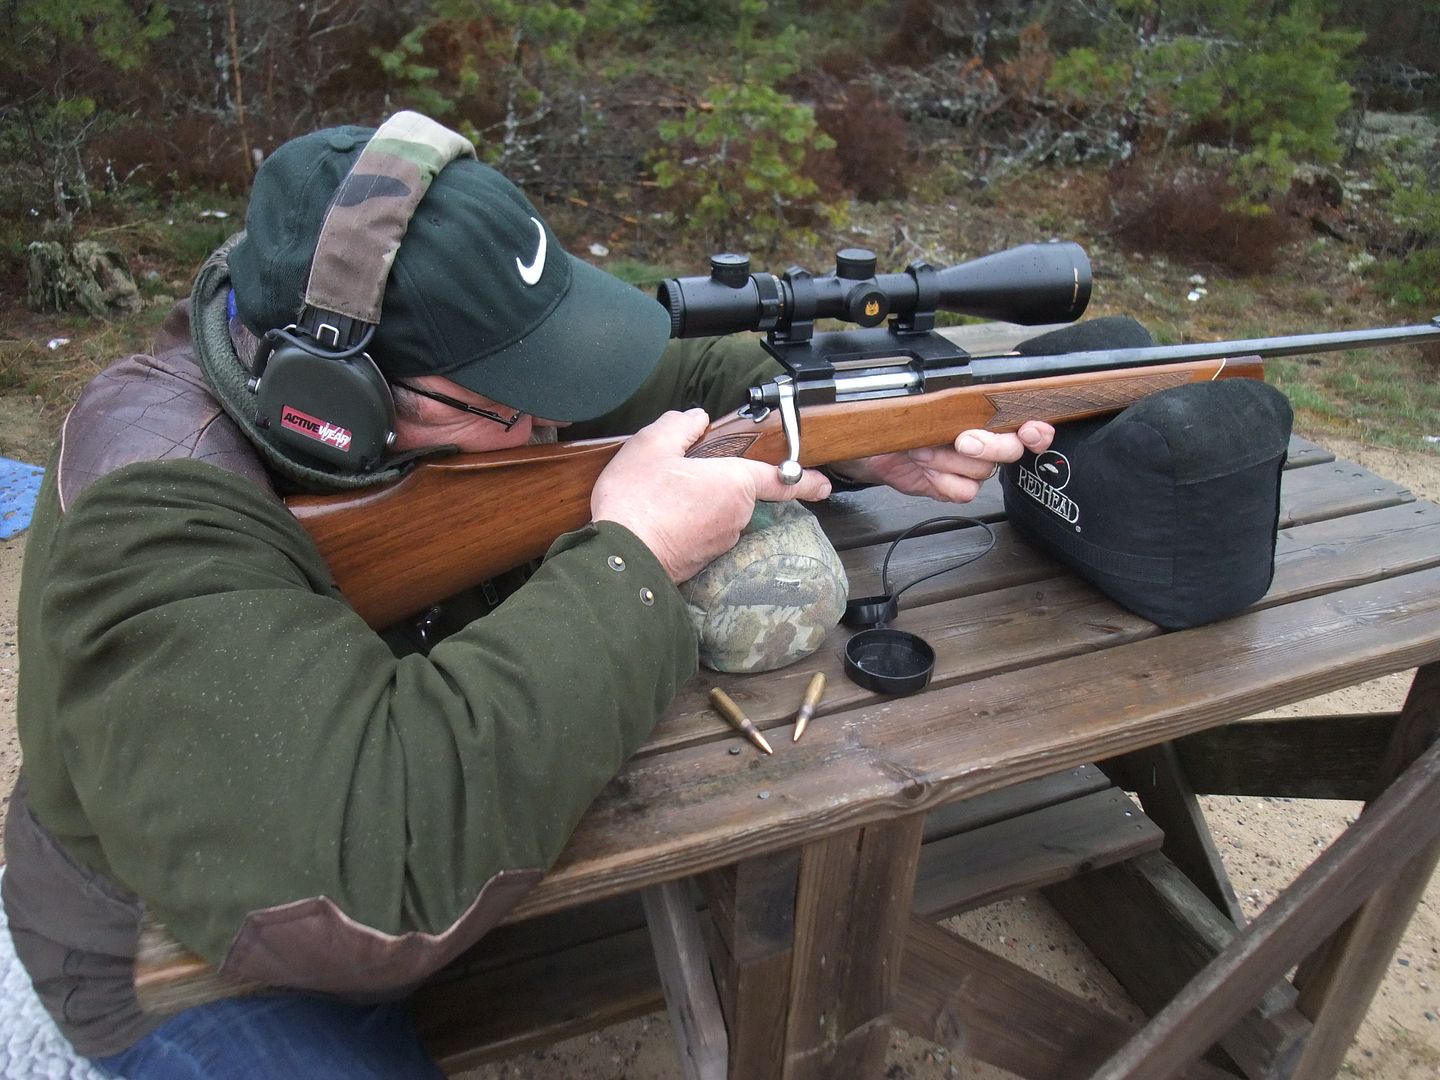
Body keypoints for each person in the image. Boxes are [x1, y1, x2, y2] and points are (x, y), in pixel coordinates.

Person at [2, 113, 1053, 1078]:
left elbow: (691, 379)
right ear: (334, 397)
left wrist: (847, 432)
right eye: (506, 403)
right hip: (191, 946)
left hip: (449, 848)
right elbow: (373, 876)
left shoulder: (425, 357)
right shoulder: (149, 509)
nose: (546, 426)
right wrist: (633, 559)